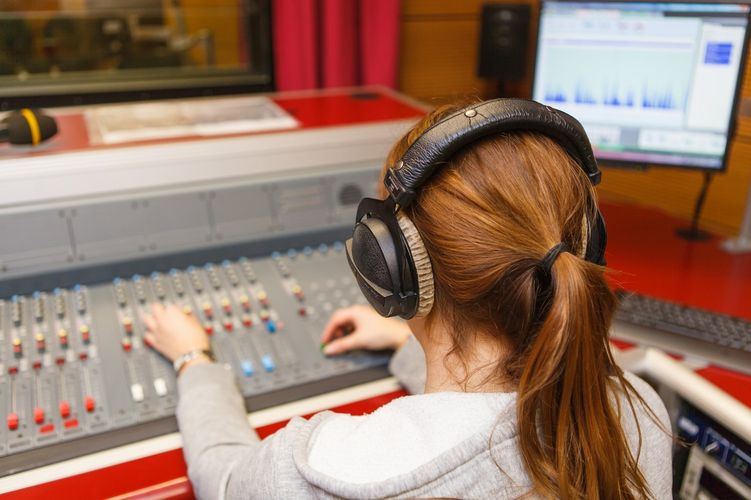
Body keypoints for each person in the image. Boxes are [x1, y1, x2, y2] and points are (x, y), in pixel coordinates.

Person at [144, 100, 672, 499]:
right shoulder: (641, 414)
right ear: (588, 245)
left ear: (393, 268)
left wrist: (195, 361)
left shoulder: (316, 472)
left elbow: (226, 477)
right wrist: (408, 343)